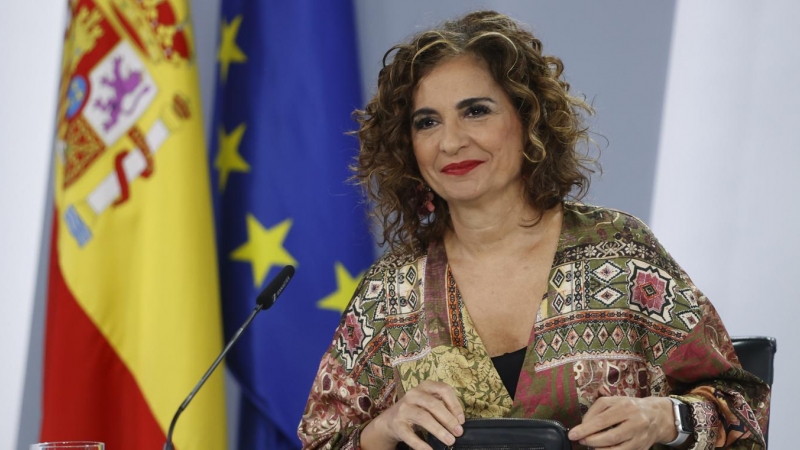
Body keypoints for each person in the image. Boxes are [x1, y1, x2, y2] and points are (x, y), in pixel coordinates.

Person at [297, 10, 770, 450]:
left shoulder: (622, 255)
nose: (452, 141)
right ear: (408, 147)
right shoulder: (389, 292)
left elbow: (745, 408)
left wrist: (666, 419)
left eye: (476, 110)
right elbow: (320, 440)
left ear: (528, 118)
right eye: (427, 122)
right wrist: (382, 429)